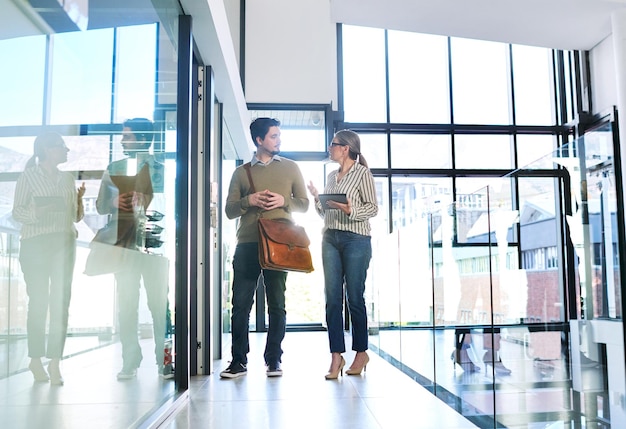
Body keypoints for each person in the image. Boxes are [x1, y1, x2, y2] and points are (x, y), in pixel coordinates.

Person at [221, 117, 309, 378]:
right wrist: (250, 199)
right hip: (248, 243)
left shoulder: (291, 168)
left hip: (280, 243)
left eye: (279, 135)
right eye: (273, 136)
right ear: (259, 140)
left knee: (277, 304)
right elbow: (228, 210)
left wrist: (284, 200)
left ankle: (274, 360)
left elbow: (303, 204)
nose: (278, 140)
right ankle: (238, 361)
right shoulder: (241, 172)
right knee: (240, 304)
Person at [95, 118, 170, 380]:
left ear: (141, 138)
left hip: (154, 245)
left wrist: (147, 200)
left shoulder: (161, 168)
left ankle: (165, 359)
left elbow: (170, 205)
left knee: (159, 305)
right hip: (124, 244)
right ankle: (130, 360)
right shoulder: (114, 167)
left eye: (127, 136)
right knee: (126, 305)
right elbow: (101, 206)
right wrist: (114, 199)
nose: (122, 140)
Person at [12, 132, 85, 385]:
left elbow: (75, 217)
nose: (66, 151)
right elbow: (17, 212)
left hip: (64, 243)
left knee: (61, 302)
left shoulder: (67, 179)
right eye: (61, 147)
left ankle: (55, 362)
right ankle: (35, 359)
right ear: (47, 149)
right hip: (36, 243)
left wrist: (78, 201)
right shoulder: (28, 177)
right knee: (39, 302)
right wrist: (38, 211)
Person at [307, 129, 378, 380]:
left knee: (354, 297)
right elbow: (325, 213)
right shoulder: (331, 176)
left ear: (345, 148)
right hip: (330, 238)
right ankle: (336, 355)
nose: (330, 148)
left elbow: (372, 208)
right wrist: (318, 198)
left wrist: (350, 209)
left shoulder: (362, 173)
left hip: (356, 239)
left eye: (333, 144)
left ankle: (361, 352)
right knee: (332, 298)